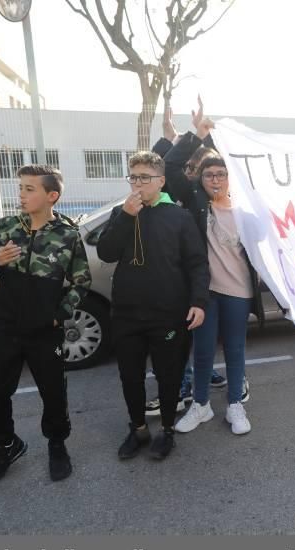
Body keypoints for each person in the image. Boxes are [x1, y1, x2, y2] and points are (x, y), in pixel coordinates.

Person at [0, 165, 91, 485]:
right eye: (21, 187)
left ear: (51, 196)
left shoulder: (66, 235)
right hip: (7, 328)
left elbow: (81, 281)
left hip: (44, 331)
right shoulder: (6, 227)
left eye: (29, 189)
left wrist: (60, 314)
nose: (21, 194)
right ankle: (6, 445)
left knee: (53, 392)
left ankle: (57, 444)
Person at [97, 151, 209, 460]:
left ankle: (168, 430)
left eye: (145, 178)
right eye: (133, 177)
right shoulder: (122, 212)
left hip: (168, 314)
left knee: (168, 374)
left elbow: (197, 263)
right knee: (130, 375)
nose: (137, 184)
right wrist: (126, 216)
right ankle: (137, 429)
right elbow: (106, 252)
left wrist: (199, 302)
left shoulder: (179, 216)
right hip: (126, 314)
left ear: (160, 180)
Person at [174, 116, 262, 436]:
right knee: (203, 349)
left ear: (230, 178)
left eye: (221, 174)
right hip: (205, 291)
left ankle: (235, 406)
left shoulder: (247, 213)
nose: (215, 179)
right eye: (209, 174)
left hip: (239, 291)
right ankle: (201, 406)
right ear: (202, 179)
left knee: (236, 349)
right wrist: (197, 136)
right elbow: (172, 169)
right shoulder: (198, 205)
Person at [143, 108, 226, 418]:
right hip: (178, 277)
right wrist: (173, 136)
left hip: (205, 276)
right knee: (181, 334)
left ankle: (190, 384)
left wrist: (201, 137)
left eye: (197, 165)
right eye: (192, 165)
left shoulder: (201, 193)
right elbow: (162, 166)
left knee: (198, 333)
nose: (191, 169)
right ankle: (188, 382)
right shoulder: (180, 189)